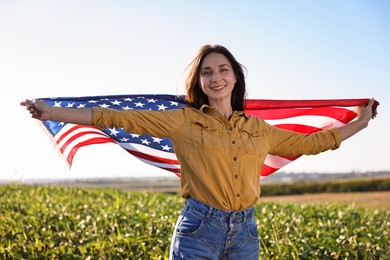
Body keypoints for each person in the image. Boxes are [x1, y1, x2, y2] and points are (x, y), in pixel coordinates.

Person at [21, 44, 377, 259]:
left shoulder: (259, 130)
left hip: (246, 233)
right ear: (201, 82)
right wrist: (51, 112)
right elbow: (114, 117)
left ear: (235, 77)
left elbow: (314, 143)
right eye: (207, 72)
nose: (216, 77)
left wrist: (360, 123)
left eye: (223, 69)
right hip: (199, 230)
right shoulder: (182, 122)